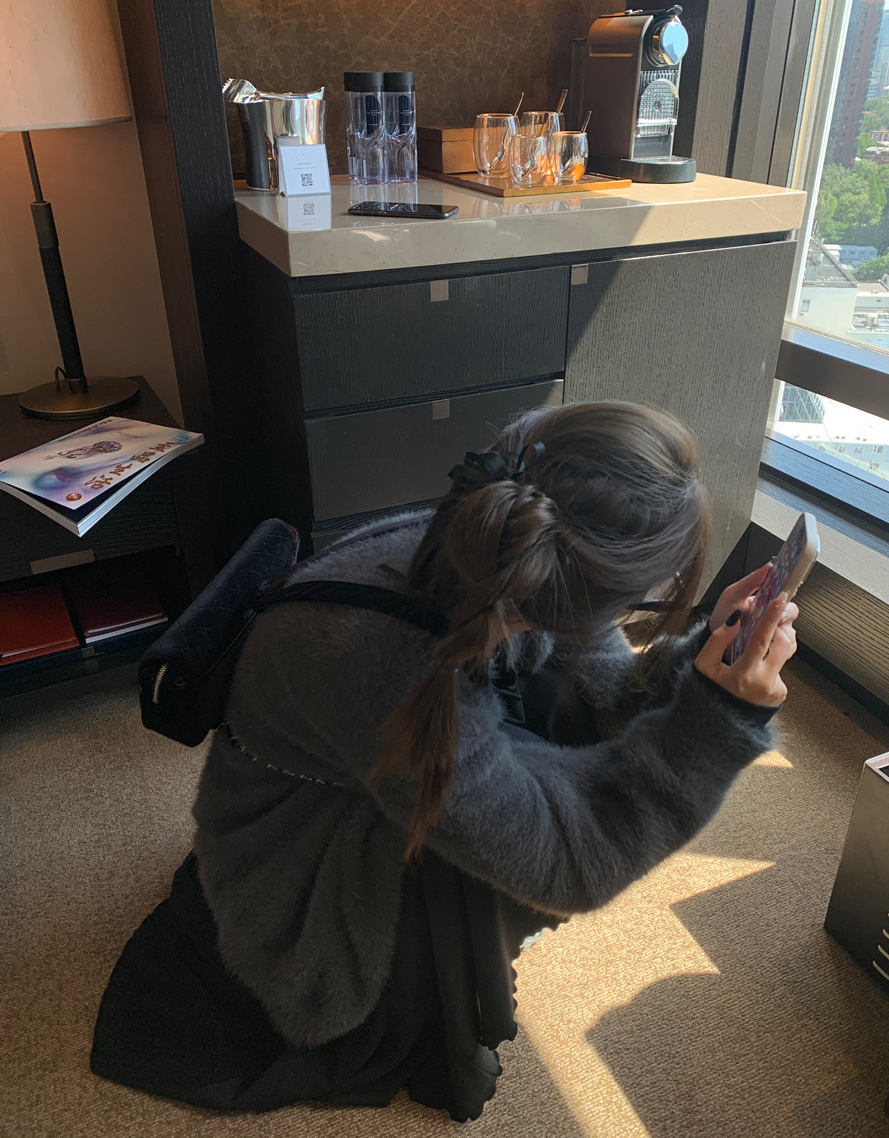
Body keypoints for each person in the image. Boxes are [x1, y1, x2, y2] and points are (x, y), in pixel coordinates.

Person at [91, 401, 798, 1120]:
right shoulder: (396, 673)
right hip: (305, 846)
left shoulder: (493, 535)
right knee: (492, 877)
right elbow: (577, 862)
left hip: (347, 745)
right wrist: (719, 720)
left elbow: (605, 688)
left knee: (566, 706)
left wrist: (705, 654)